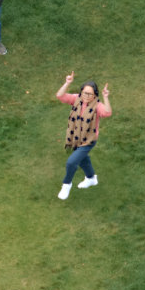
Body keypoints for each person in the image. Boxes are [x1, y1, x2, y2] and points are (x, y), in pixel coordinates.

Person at [55, 72, 112, 200]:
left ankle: (66, 185)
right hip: (76, 137)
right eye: (85, 93)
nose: (86, 96)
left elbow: (107, 113)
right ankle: (91, 178)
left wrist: (106, 97)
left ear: (95, 95)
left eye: (90, 94)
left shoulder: (97, 105)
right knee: (83, 160)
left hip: (88, 141)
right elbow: (60, 96)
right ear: (81, 92)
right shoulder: (76, 99)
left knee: (71, 163)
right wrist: (68, 83)